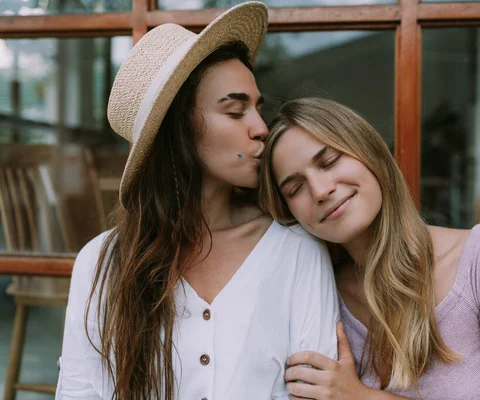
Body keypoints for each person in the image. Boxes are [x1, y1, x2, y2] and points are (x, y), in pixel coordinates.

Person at [56, 5, 339, 400]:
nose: (261, 128)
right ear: (179, 128)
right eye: (235, 110)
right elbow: (79, 393)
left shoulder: (296, 251)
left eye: (258, 109)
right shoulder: (101, 263)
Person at [260, 97, 480, 400]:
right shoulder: (318, 295)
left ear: (369, 152)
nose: (321, 191)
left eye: (330, 161)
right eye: (295, 188)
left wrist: (359, 396)